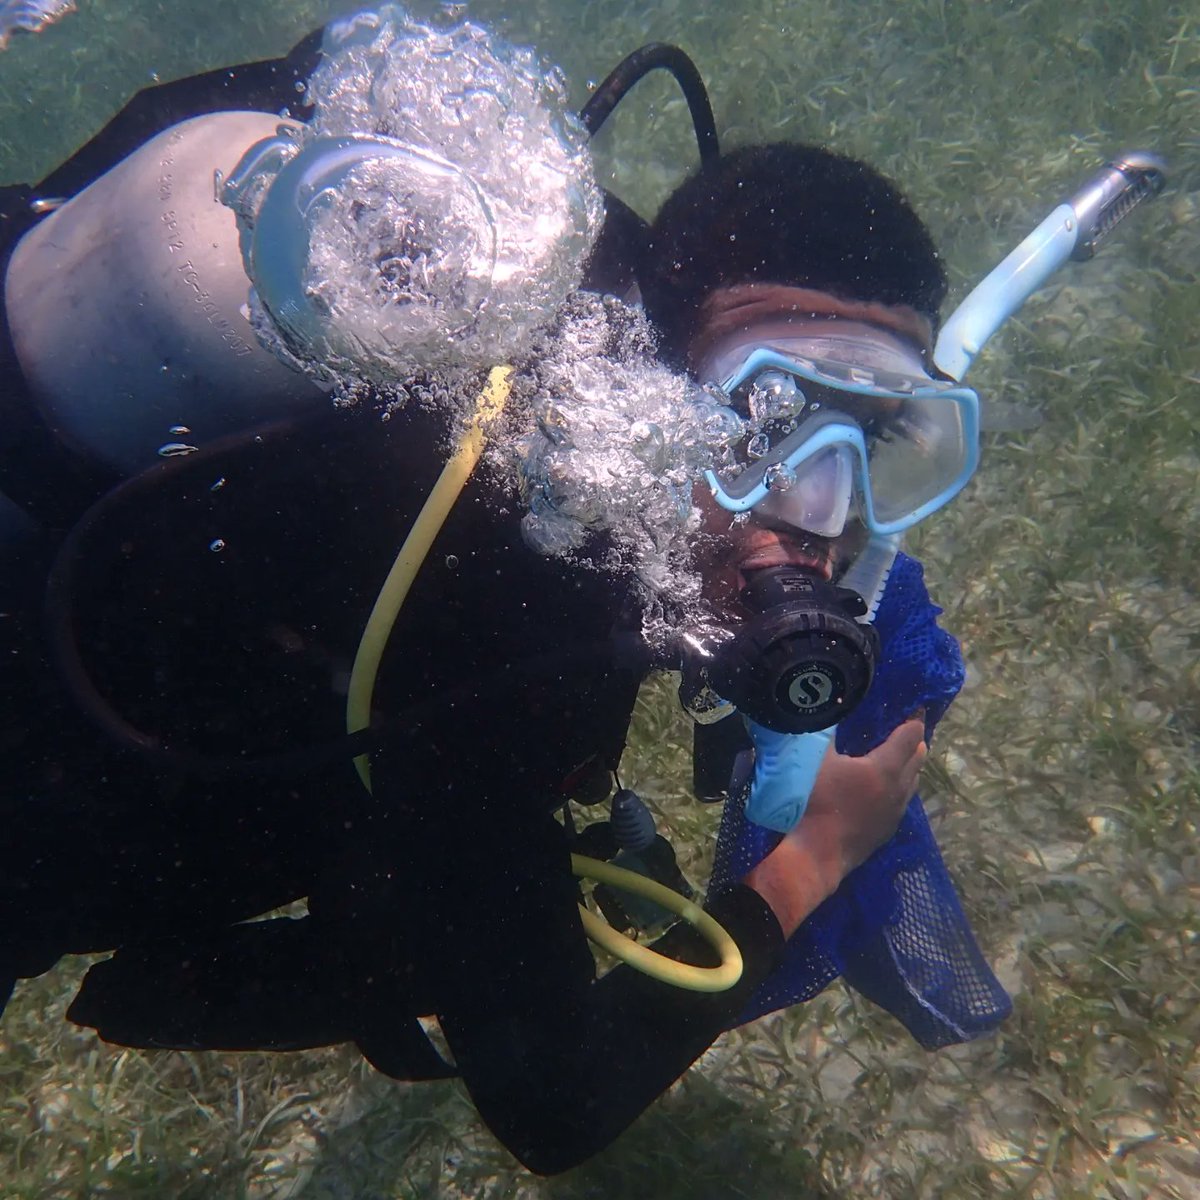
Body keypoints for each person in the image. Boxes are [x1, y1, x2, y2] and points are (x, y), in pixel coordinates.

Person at [0, 18, 1009, 1175]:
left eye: (880, 435)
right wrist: (816, 858)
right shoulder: (511, 593)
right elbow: (551, 1104)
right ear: (651, 381)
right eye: (768, 416)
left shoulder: (556, 290)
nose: (819, 517)